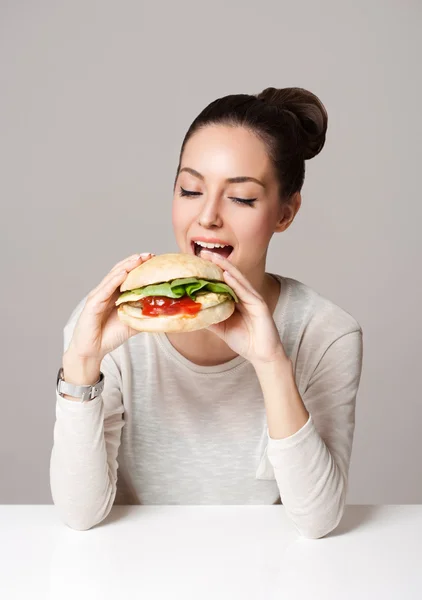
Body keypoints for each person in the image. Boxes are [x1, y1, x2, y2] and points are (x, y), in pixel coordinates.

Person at [50, 87, 363, 538]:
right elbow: (81, 515)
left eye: (242, 198)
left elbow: (317, 521)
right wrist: (81, 366)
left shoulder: (327, 333)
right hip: (131, 568)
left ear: (285, 213)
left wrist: (272, 364)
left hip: (269, 575)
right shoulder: (106, 324)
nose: (208, 217)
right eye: (191, 190)